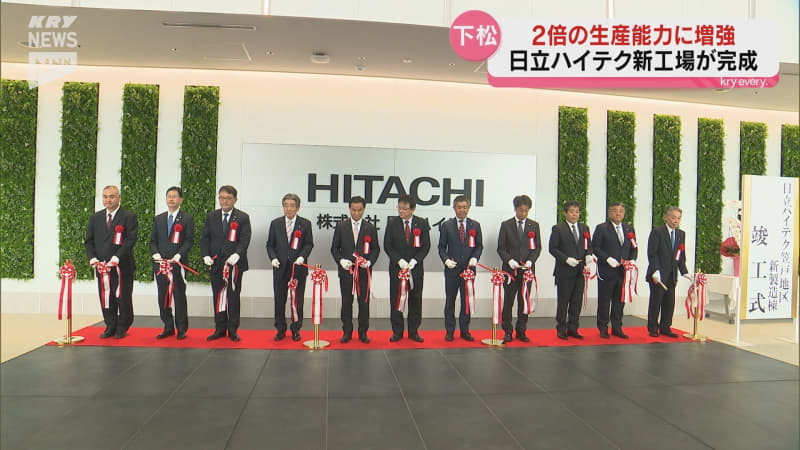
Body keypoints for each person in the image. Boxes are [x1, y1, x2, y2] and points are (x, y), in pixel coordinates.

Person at [84, 185, 138, 339]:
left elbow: (130, 240)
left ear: (119, 197)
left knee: (123, 297)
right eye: (105, 196)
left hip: (122, 266)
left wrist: (116, 258)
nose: (108, 200)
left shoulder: (129, 216)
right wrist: (92, 258)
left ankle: (123, 326)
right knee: (106, 297)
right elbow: (89, 241)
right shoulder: (95, 218)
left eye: (112, 196)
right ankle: (110, 325)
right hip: (102, 267)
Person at [200, 185, 251, 342]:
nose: (225, 201)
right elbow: (205, 238)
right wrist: (205, 255)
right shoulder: (211, 216)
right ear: (219, 199)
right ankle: (219, 328)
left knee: (233, 297)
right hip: (216, 263)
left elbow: (245, 239)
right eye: (222, 198)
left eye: (229, 198)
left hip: (234, 264)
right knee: (218, 296)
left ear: (235, 199)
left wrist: (237, 254)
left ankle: (233, 329)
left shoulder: (242, 217)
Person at [330, 196, 380, 343]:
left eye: (359, 210)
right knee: (346, 302)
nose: (356, 213)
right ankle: (347, 332)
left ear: (364, 209)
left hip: (364, 272)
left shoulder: (370, 227)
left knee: (364, 303)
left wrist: (369, 262)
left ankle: (363, 332)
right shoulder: (341, 226)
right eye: (353, 210)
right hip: (346, 272)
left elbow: (376, 249)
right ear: (349, 209)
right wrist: (341, 261)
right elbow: (334, 248)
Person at [266, 193, 314, 342]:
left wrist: (302, 257)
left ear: (298, 208)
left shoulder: (305, 224)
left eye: (292, 206)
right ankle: (280, 329)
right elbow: (270, 245)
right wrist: (273, 258)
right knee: (279, 300)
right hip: (280, 268)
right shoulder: (275, 223)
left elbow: (309, 244)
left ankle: (296, 329)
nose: (289, 209)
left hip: (297, 269)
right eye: (286, 205)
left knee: (297, 301)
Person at [384, 194, 431, 342]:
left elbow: (426, 246)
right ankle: (397, 331)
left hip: (415, 269)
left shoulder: (421, 223)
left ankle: (413, 331)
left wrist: (415, 261)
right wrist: (399, 261)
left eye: (404, 209)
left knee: (415, 300)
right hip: (397, 269)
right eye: (399, 208)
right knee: (396, 299)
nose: (401, 211)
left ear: (413, 209)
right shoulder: (392, 222)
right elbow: (387, 245)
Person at [149, 186, 194, 340]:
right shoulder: (159, 218)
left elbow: (189, 241)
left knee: (179, 296)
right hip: (161, 265)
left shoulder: (187, 218)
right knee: (163, 296)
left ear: (180, 199)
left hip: (177, 264)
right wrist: (155, 253)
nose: (171, 199)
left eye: (175, 196)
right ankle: (168, 326)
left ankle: (181, 328)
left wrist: (179, 255)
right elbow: (153, 241)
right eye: (169, 196)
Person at [496, 194, 541, 343]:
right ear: (515, 209)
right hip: (510, 271)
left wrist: (530, 261)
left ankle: (521, 330)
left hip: (527, 271)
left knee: (524, 301)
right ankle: (507, 331)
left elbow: (537, 248)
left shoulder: (534, 225)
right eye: (521, 210)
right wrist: (509, 261)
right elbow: (501, 248)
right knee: (509, 301)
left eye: (526, 210)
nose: (523, 213)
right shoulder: (506, 225)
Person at [438, 195, 483, 341]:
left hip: (468, 270)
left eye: (465, 207)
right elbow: (441, 247)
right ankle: (449, 331)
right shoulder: (447, 225)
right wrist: (446, 260)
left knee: (466, 301)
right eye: (459, 207)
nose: (462, 210)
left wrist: (475, 258)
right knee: (450, 301)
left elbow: (479, 246)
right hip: (452, 270)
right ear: (454, 208)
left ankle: (465, 330)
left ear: (468, 208)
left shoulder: (475, 225)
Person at [591, 202, 637, 339]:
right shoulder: (601, 228)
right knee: (605, 301)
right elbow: (595, 248)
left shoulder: (629, 229)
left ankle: (617, 327)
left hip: (623, 272)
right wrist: (607, 258)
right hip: (607, 270)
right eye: (615, 211)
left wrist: (632, 260)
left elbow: (634, 247)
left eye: (621, 211)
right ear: (609, 212)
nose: (618, 213)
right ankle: (603, 328)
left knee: (619, 301)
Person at [549, 201, 593, 340]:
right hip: (564, 271)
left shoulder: (584, 228)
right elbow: (553, 248)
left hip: (580, 271)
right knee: (563, 302)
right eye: (572, 212)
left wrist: (589, 254)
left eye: (577, 212)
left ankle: (573, 328)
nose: (575, 214)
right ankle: (561, 328)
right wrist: (566, 259)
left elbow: (589, 246)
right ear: (565, 213)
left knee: (576, 302)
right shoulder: (558, 229)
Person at [645, 206, 690, 338]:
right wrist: (655, 270)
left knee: (669, 303)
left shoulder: (681, 234)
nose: (676, 221)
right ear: (666, 217)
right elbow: (652, 253)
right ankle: (653, 327)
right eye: (673, 218)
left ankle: (665, 327)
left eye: (678, 218)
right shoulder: (657, 232)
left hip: (672, 275)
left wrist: (685, 272)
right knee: (656, 302)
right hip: (658, 275)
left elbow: (680, 255)